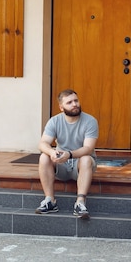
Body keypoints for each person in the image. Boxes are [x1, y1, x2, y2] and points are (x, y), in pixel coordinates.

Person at [35, 89, 98, 219]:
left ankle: (80, 203)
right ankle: (50, 201)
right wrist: (52, 152)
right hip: (61, 164)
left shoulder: (90, 121)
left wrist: (69, 154)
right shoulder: (54, 121)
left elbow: (88, 148)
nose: (74, 104)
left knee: (86, 158)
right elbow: (42, 144)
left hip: (81, 165)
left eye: (76, 101)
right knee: (44, 157)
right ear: (61, 107)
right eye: (69, 102)